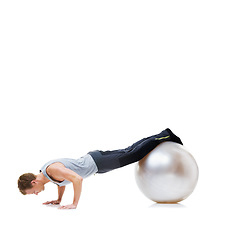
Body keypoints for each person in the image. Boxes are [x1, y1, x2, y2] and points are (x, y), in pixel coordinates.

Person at [18, 128, 183, 209]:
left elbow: (77, 178)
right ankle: (162, 134)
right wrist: (59, 199)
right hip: (96, 163)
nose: (37, 194)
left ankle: (165, 136)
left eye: (33, 192)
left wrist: (74, 203)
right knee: (130, 150)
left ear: (33, 182)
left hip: (98, 162)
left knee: (134, 154)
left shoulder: (51, 170)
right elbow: (61, 182)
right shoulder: (45, 173)